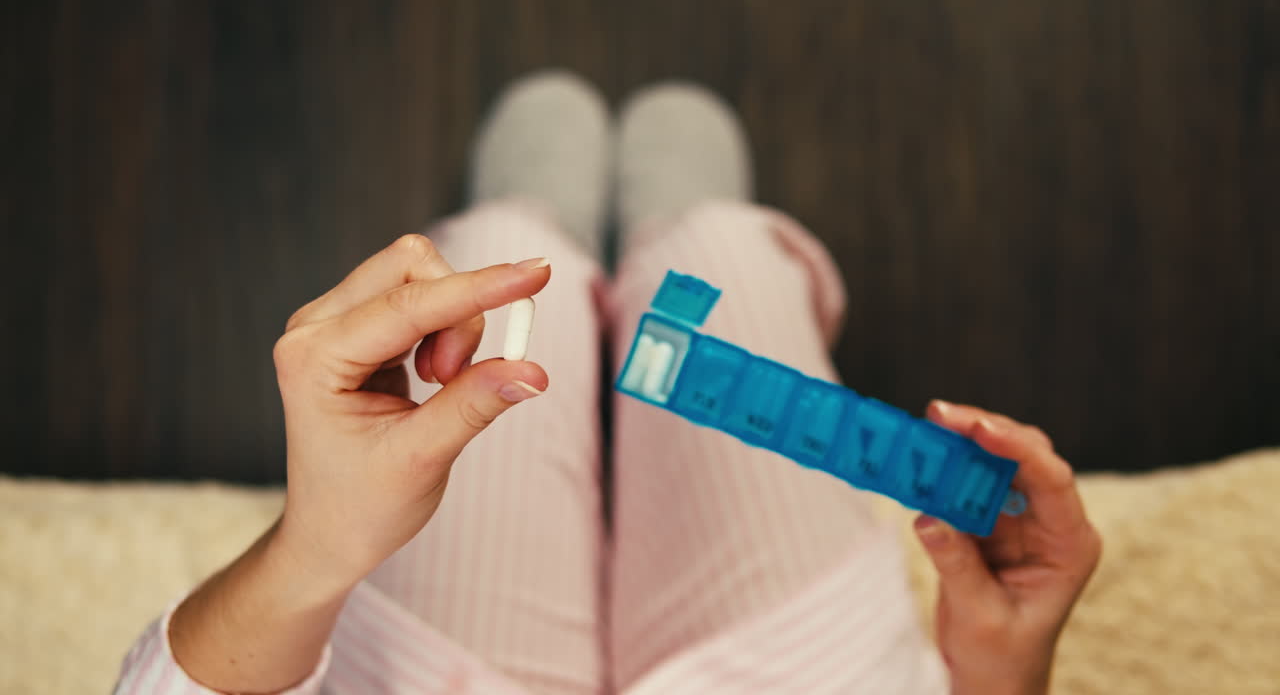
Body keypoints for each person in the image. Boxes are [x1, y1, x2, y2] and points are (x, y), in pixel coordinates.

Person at [114, 72, 1101, 695]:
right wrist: (1002, 677)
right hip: (802, 672)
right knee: (720, 260)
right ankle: (671, 236)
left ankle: (546, 231)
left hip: (427, 677)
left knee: (504, 268)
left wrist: (315, 545)